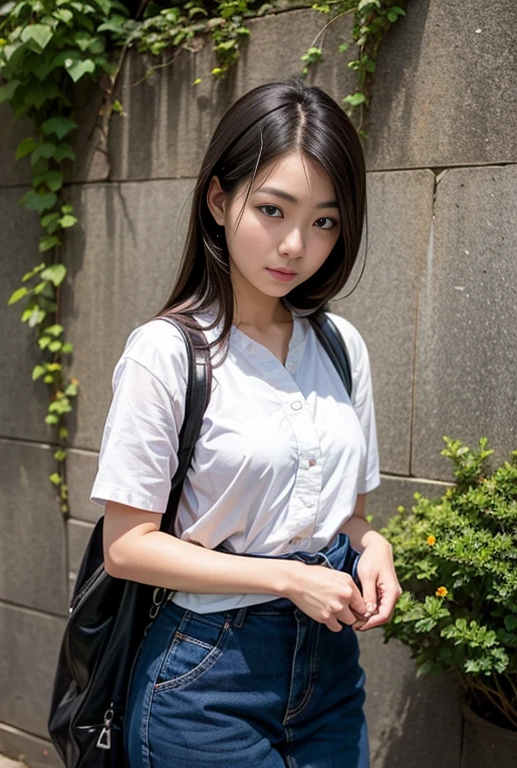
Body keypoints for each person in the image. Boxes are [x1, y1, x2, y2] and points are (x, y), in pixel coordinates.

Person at [89, 76, 402, 768]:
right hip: (206, 677)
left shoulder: (341, 347)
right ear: (219, 197)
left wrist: (372, 548)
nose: (296, 245)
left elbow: (345, 518)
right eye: (272, 209)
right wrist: (288, 579)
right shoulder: (168, 352)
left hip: (330, 674)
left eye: (324, 220)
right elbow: (128, 547)